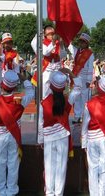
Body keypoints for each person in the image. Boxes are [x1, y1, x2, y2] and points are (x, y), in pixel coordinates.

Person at [0, 70, 35, 196]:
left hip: (0, 135)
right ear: (15, 87)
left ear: (2, 85)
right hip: (14, 136)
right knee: (13, 162)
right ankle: (12, 189)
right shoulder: (20, 101)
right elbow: (31, 92)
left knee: (0, 163)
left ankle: (1, 189)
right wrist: (25, 79)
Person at [38, 68, 81, 196]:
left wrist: (40, 140)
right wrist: (70, 72)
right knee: (61, 167)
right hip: (62, 136)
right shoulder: (68, 99)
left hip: (49, 137)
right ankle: (58, 193)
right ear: (63, 87)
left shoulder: (44, 102)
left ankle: (50, 193)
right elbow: (78, 88)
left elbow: (41, 122)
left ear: (50, 85)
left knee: (49, 167)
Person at [31, 25, 67, 99]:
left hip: (57, 68)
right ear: (45, 35)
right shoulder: (42, 42)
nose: (52, 36)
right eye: (49, 34)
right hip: (46, 69)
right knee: (45, 92)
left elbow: (63, 55)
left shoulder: (57, 43)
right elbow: (45, 52)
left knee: (57, 92)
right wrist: (53, 42)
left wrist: (61, 45)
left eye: (53, 34)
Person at [67, 32, 94, 123]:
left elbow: (90, 67)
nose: (81, 43)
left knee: (84, 97)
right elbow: (70, 47)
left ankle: (84, 116)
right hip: (76, 77)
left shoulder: (90, 54)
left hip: (85, 78)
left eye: (83, 42)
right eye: (80, 42)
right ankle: (77, 116)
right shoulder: (77, 51)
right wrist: (67, 37)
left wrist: (89, 80)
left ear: (87, 43)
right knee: (76, 97)